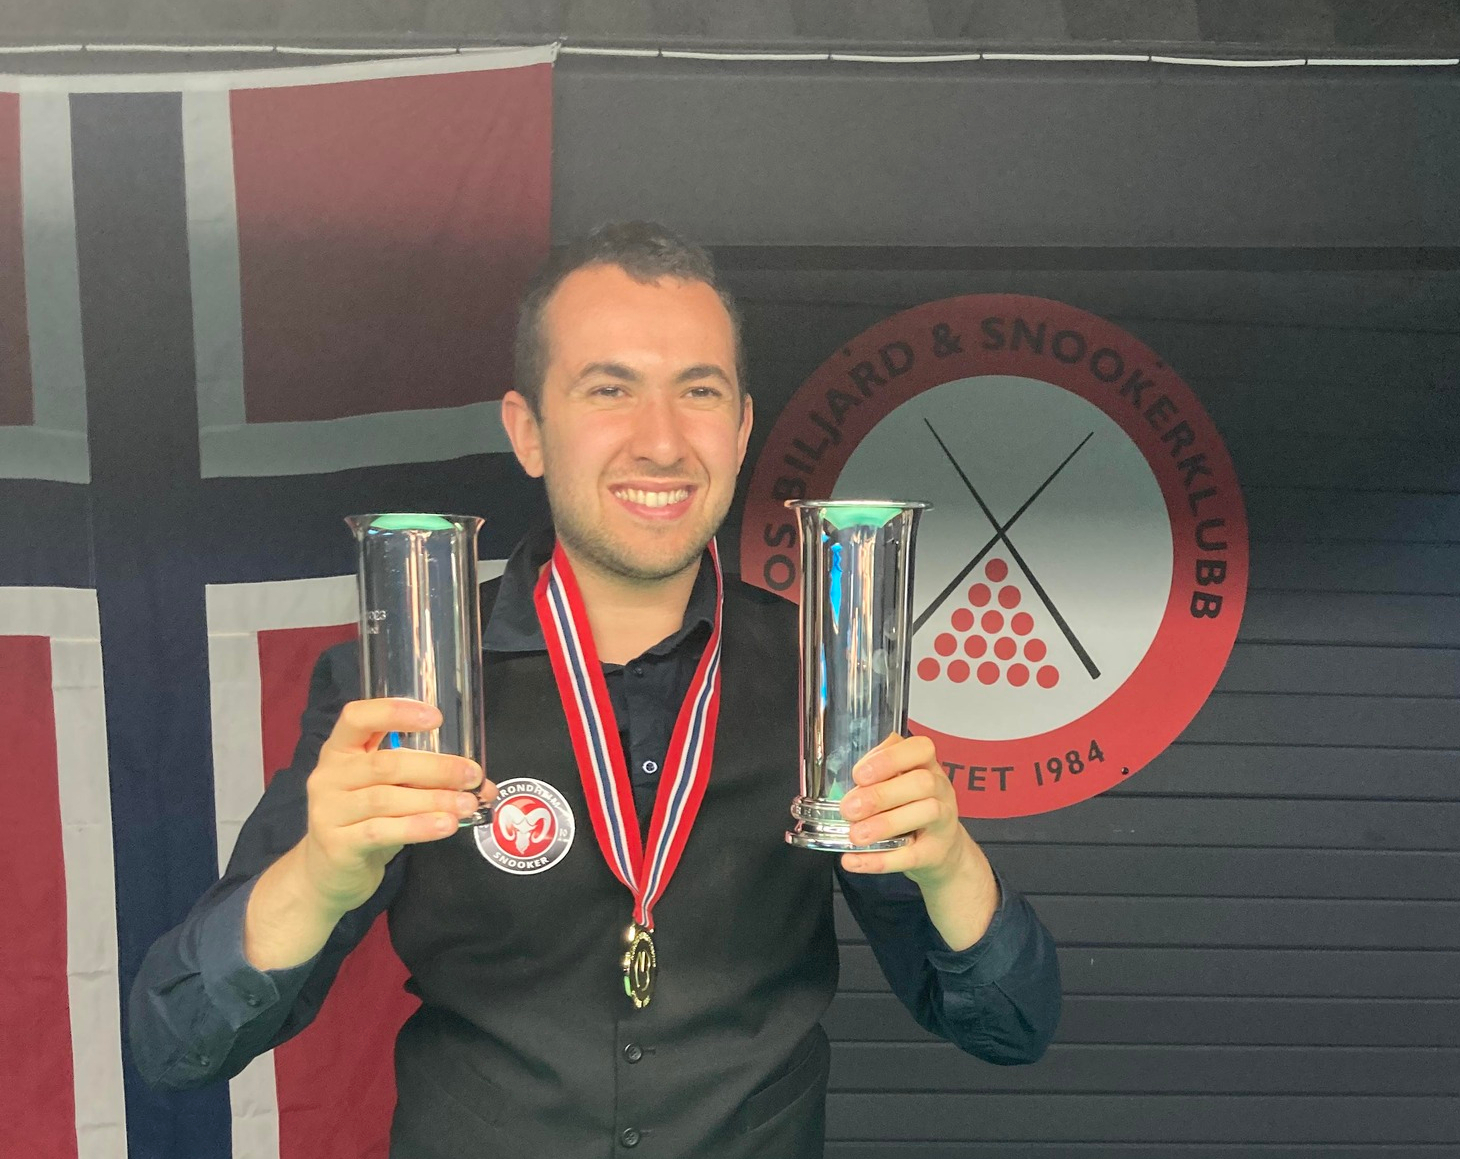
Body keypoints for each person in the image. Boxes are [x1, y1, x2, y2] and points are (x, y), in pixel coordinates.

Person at [130, 222, 1061, 1158]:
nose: (661, 441)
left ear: (740, 431)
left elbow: (1010, 1028)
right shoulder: (399, 694)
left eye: (698, 392)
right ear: (528, 432)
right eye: (609, 390)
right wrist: (318, 876)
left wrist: (948, 864)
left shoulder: (832, 681)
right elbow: (175, 1047)